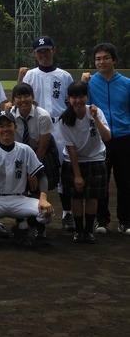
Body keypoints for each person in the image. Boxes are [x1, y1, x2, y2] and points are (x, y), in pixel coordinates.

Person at [18, 36, 74, 231]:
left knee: (63, 169)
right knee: (34, 166)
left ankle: (67, 213)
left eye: (46, 50)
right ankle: (36, 211)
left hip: (60, 126)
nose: (43, 54)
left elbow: (70, 103)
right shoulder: (30, 75)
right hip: (36, 124)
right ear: (35, 54)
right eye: (39, 51)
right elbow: (21, 97)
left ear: (54, 50)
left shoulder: (65, 76)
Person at [0, 112, 54, 246]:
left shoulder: (25, 149)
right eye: (1, 126)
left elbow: (42, 175)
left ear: (15, 127)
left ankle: (21, 228)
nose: (5, 129)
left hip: (18, 200)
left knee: (47, 213)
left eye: (9, 125)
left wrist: (43, 198)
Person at [82, 43, 130, 235]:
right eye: (98, 59)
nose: (101, 62)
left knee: (125, 181)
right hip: (100, 139)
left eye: (105, 58)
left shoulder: (126, 83)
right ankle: (102, 220)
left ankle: (125, 221)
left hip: (124, 138)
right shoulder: (90, 84)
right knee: (101, 182)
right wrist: (84, 83)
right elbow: (80, 106)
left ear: (114, 60)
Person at [58, 81, 111, 243]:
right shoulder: (64, 119)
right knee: (76, 196)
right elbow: (71, 149)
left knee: (92, 196)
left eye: (81, 96)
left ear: (87, 97)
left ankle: (89, 230)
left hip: (95, 159)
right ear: (69, 98)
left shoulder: (96, 113)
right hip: (75, 161)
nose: (78, 100)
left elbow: (107, 137)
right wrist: (77, 176)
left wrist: (95, 118)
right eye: (74, 96)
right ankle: (78, 230)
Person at [10, 82, 59, 239]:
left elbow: (42, 147)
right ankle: (20, 224)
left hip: (40, 152)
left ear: (33, 98)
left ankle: (39, 226)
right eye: (18, 97)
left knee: (37, 188)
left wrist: (33, 171)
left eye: (26, 96)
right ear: (13, 99)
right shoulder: (10, 116)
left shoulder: (43, 116)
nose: (23, 100)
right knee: (19, 187)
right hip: (19, 154)